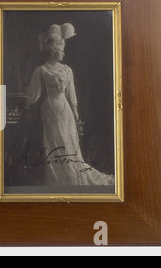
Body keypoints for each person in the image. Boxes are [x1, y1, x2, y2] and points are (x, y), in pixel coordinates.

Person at [26, 23, 114, 186]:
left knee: (68, 142)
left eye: (63, 50)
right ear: (53, 50)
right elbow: (33, 95)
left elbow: (71, 93)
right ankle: (56, 178)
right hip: (49, 110)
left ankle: (72, 176)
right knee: (52, 143)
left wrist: (74, 110)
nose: (63, 53)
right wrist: (29, 108)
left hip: (65, 110)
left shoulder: (67, 70)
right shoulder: (41, 70)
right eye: (61, 50)